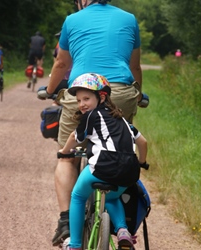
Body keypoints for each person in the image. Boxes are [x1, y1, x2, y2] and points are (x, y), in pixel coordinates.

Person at [37, 0, 144, 247]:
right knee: (119, 147)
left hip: (83, 91)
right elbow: (134, 65)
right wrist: (138, 95)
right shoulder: (129, 19)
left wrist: (51, 90)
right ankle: (120, 221)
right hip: (121, 92)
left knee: (67, 158)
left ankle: (65, 222)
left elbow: (62, 63)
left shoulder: (73, 20)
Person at [59, 73, 148, 250]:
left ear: (101, 97)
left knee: (77, 196)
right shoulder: (122, 119)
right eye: (78, 100)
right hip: (129, 171)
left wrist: (64, 152)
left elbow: (74, 137)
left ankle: (75, 245)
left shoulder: (91, 116)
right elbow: (143, 142)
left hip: (103, 165)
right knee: (111, 197)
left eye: (86, 98)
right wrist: (142, 163)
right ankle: (123, 231)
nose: (82, 104)